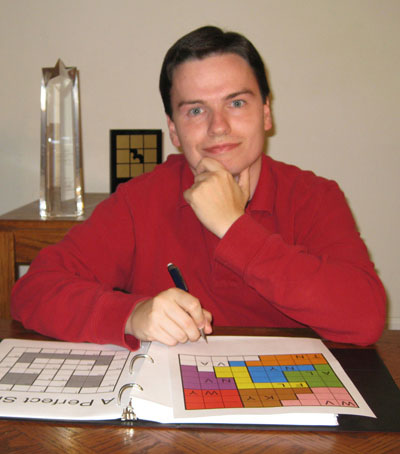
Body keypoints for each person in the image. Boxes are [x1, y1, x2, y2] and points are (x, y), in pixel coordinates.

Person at [11, 26, 386, 350]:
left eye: (236, 102)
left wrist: (233, 227)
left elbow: (365, 318)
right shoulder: (140, 201)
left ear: (266, 113)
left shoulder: (314, 197)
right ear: (173, 130)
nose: (218, 126)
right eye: (195, 110)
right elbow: (33, 290)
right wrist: (132, 314)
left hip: (290, 395)